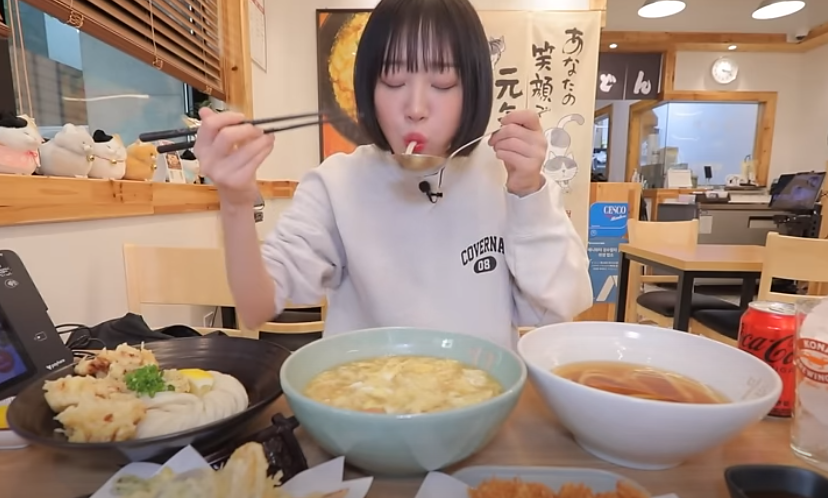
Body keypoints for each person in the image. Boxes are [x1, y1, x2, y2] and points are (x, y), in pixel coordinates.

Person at [194, 0, 592, 350]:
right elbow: (255, 307)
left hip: (484, 399)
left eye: (442, 83)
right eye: (394, 80)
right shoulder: (338, 184)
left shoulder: (506, 176)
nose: (415, 107)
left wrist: (528, 191)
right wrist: (235, 199)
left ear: (473, 87)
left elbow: (562, 304)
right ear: (368, 87)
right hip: (365, 401)